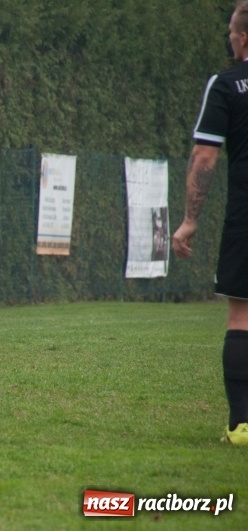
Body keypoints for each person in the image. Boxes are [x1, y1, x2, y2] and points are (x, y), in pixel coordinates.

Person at [171, 1, 248, 446]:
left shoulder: (227, 84)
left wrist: (189, 221)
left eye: (231, 33)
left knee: (241, 314)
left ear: (242, 38)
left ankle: (240, 424)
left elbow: (205, 156)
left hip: (245, 216)